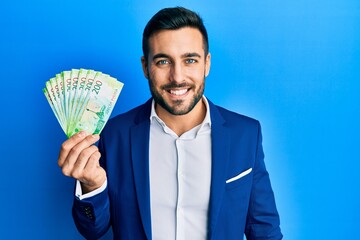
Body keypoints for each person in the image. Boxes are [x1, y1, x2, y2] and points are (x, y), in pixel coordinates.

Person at [58, 6, 283, 240]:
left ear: (206, 64)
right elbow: (93, 230)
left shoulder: (245, 134)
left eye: (190, 60)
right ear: (145, 67)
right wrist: (91, 186)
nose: (177, 77)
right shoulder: (115, 135)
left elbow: (264, 229)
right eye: (163, 61)